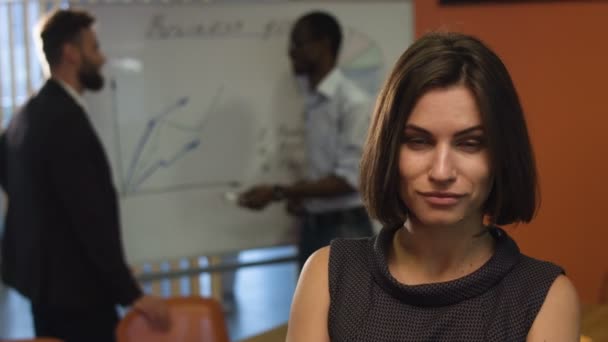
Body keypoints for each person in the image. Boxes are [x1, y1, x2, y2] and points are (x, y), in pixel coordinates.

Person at [286, 32, 580, 341]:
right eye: (418, 141)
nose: (441, 171)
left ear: (502, 155)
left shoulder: (544, 297)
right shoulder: (328, 275)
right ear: (388, 150)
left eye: (470, 144)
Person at [0, 9, 170, 341]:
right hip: (78, 294)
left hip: (45, 289)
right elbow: (89, 216)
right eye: (94, 48)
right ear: (71, 53)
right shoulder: (64, 121)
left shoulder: (26, 114)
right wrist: (132, 293)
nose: (103, 58)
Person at [238, 11, 374, 269]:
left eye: (299, 43)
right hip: (314, 224)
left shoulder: (352, 103)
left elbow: (349, 180)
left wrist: (279, 192)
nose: (291, 52)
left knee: (350, 309)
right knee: (311, 309)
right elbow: (326, 171)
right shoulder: (311, 100)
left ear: (324, 45)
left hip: (346, 228)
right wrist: (304, 197)